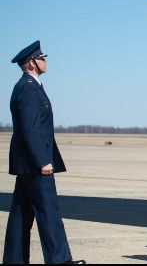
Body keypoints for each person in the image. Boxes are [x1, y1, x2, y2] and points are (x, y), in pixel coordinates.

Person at [3, 41, 86, 265]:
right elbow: (30, 128)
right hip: (35, 163)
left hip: (26, 163)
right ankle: (60, 261)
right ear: (32, 63)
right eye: (42, 58)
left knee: (21, 213)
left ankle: (13, 260)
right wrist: (42, 161)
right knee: (48, 211)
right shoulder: (28, 88)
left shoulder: (27, 86)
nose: (45, 61)